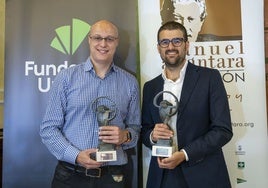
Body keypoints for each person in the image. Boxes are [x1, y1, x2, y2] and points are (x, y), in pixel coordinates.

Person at [40, 20, 141, 188]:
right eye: (97, 38)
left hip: (113, 178)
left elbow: (135, 128)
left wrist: (125, 136)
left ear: (117, 42)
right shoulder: (66, 78)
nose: (103, 44)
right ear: (89, 40)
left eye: (109, 39)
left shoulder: (130, 83)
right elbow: (48, 129)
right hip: (71, 175)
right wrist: (76, 155)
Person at [141, 21, 233, 188]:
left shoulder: (210, 78)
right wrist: (152, 136)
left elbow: (223, 130)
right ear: (158, 48)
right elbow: (145, 130)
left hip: (204, 174)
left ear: (186, 45)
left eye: (177, 41)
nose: (171, 47)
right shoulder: (150, 87)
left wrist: (184, 154)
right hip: (163, 176)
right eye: (165, 42)